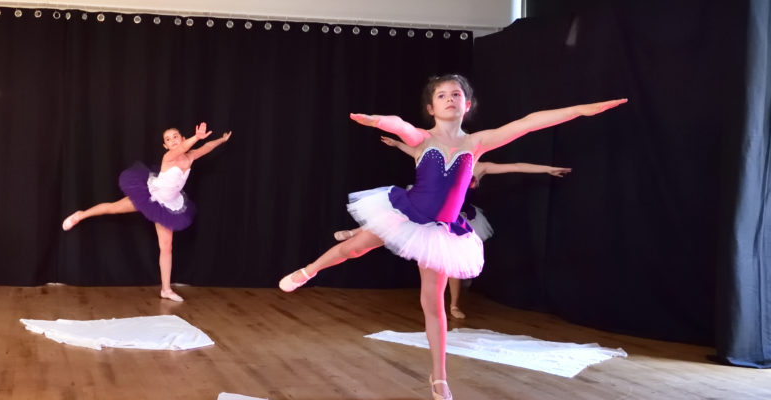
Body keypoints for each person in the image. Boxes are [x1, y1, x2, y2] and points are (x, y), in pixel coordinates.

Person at [277, 74, 624, 400]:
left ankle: (439, 376)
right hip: (407, 214)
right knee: (355, 247)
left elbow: (529, 123)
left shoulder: (476, 143)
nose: (449, 99)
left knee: (434, 304)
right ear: (431, 107)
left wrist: (582, 109)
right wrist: (377, 121)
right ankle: (308, 270)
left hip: (441, 231)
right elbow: (400, 125)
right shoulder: (423, 139)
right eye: (441, 95)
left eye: (456, 94)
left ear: (467, 104)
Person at [332, 135, 572, 318]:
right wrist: (398, 145)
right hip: (429, 209)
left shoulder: (479, 166)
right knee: (394, 216)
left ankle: (454, 304)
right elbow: (416, 152)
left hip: (456, 218)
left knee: (449, 265)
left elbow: (516, 166)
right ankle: (356, 231)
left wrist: (547, 169)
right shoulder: (442, 158)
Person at [61, 123, 231, 302]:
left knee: (166, 247)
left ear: (182, 138)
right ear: (165, 146)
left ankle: (166, 290)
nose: (172, 140)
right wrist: (196, 137)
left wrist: (222, 140)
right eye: (168, 139)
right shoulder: (169, 157)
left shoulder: (191, 156)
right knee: (113, 208)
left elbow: (207, 147)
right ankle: (80, 215)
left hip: (169, 206)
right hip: (152, 197)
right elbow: (183, 148)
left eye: (175, 137)